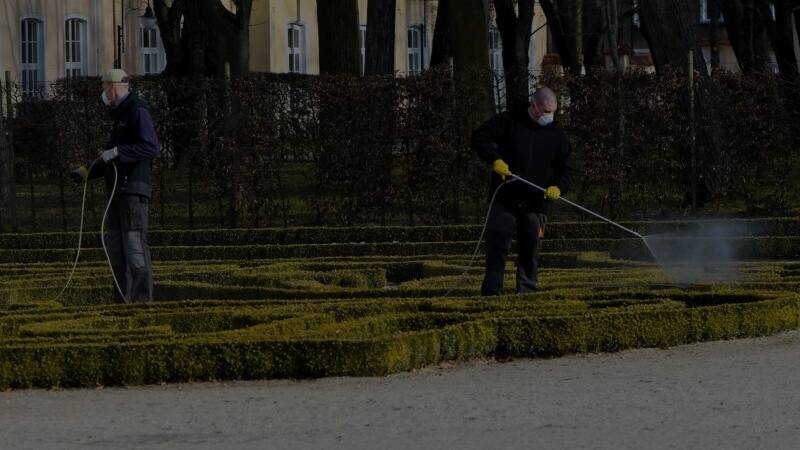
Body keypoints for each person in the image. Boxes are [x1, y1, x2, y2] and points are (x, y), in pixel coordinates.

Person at [68, 69, 161, 303]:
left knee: (134, 246)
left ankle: (141, 301)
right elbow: (108, 158)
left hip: (133, 191)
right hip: (117, 192)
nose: (103, 93)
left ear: (114, 87)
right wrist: (86, 172)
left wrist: (121, 151)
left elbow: (151, 147)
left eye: (103, 87)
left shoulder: (137, 110)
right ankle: (121, 300)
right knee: (117, 248)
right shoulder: (120, 116)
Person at [471, 86, 572, 296]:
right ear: (533, 105)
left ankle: (527, 292)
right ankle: (491, 293)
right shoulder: (508, 121)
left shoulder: (558, 135)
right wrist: (495, 159)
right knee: (497, 248)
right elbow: (479, 137)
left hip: (536, 203)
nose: (549, 116)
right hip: (504, 198)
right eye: (545, 111)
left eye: (553, 112)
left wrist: (558, 187)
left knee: (530, 251)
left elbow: (567, 169)